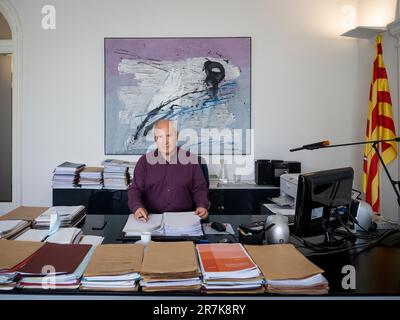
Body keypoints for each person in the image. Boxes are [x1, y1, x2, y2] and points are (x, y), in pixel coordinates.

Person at [128, 119, 209, 222]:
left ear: (177, 136)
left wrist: (201, 205)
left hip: (185, 218)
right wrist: (137, 207)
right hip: (151, 218)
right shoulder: (144, 162)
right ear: (155, 139)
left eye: (169, 136)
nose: (165, 142)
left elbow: (200, 188)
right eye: (160, 137)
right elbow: (135, 190)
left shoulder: (191, 160)